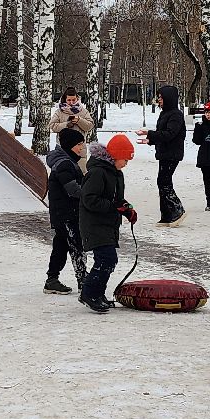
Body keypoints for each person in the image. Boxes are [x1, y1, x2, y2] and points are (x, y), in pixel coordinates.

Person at [77, 133, 139, 313]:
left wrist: (127, 209)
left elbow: (116, 199)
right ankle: (89, 293)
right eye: (124, 159)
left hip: (107, 223)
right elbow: (89, 199)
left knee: (108, 260)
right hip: (94, 223)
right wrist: (114, 207)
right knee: (106, 259)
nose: (126, 163)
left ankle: (98, 294)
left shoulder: (116, 173)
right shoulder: (97, 172)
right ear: (115, 156)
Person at [43, 127, 88, 294]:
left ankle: (52, 280)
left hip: (62, 213)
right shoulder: (65, 164)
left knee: (61, 246)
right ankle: (83, 280)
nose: (82, 147)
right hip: (66, 213)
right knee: (76, 245)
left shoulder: (67, 161)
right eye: (79, 144)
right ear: (69, 145)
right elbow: (73, 190)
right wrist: (90, 196)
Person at [137, 84, 186, 225]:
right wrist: (150, 140)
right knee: (162, 181)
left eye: (161, 97)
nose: (159, 100)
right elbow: (162, 134)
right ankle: (166, 215)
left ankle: (177, 210)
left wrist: (149, 134)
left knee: (164, 181)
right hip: (164, 152)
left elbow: (170, 134)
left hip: (172, 153)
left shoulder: (176, 115)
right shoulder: (165, 113)